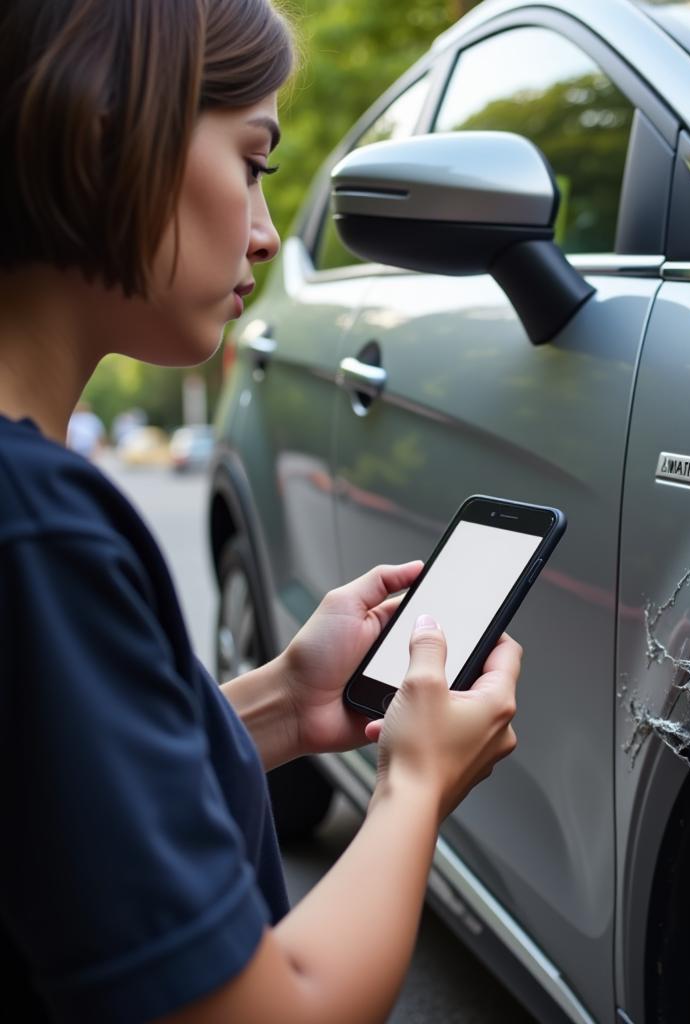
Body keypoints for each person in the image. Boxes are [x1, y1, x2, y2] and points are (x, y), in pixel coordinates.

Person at [0, 2, 519, 1022]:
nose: (268, 232)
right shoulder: (38, 526)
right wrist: (415, 785)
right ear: (107, 133)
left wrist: (283, 702)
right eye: (252, 164)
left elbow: (55, 796)